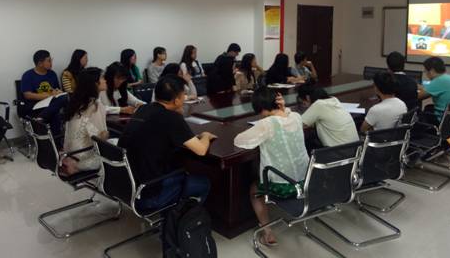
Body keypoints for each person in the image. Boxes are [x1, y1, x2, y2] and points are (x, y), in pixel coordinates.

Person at [118, 75, 216, 210]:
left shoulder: (143, 109)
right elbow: (201, 150)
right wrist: (206, 136)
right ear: (177, 100)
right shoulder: (171, 117)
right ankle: (182, 219)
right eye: (183, 95)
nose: (185, 98)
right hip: (149, 193)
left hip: (127, 186)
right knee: (204, 182)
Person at [234, 87, 309, 246]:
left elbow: (239, 141)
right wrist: (284, 108)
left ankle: (267, 231)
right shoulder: (296, 117)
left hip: (283, 187)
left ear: (261, 108)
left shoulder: (266, 124)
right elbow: (288, 114)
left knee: (254, 189)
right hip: (306, 181)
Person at [62, 67, 109, 175]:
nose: (105, 80)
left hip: (69, 155)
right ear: (95, 84)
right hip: (84, 161)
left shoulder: (77, 103)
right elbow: (101, 138)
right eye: (102, 78)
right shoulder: (95, 106)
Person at [21, 50, 67, 136]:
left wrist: (58, 92)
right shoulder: (28, 75)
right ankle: (56, 142)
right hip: (35, 105)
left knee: (65, 98)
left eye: (51, 60)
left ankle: (41, 117)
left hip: (50, 104)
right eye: (49, 61)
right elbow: (27, 95)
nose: (51, 63)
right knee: (55, 113)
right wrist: (48, 96)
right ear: (40, 63)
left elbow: (56, 90)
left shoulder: (52, 74)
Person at [418, 57, 450, 121]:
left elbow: (417, 96)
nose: (426, 73)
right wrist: (421, 87)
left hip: (441, 118)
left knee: (416, 116)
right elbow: (433, 89)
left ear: (432, 71)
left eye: (425, 71)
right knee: (428, 107)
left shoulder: (438, 81)